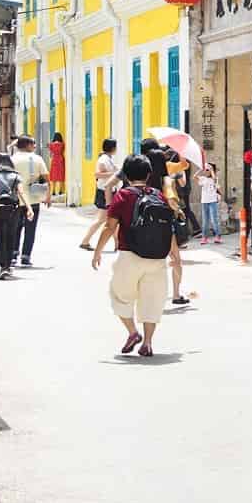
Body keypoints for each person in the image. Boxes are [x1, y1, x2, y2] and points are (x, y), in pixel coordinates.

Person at [92, 153, 174, 357]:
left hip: (130, 255)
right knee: (152, 300)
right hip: (157, 257)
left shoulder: (123, 195)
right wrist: (174, 254)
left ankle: (132, 332)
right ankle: (147, 343)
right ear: (148, 174)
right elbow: (167, 228)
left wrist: (98, 251)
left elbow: (110, 226)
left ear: (126, 175)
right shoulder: (158, 194)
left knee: (119, 295)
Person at [148, 149, 188, 307]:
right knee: (176, 259)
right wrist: (178, 211)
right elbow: (171, 199)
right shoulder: (166, 179)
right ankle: (176, 294)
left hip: (148, 223)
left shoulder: (145, 178)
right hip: (165, 222)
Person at [11, 136, 50, 267]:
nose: (34, 146)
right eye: (33, 143)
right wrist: (48, 196)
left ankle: (13, 254)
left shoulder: (12, 159)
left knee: (15, 228)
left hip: (15, 199)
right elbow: (46, 178)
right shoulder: (37, 159)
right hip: (33, 199)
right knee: (30, 229)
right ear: (27, 145)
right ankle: (26, 256)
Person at [80, 138, 121, 251]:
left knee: (112, 218)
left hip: (109, 191)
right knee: (103, 219)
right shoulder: (103, 160)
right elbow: (97, 174)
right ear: (113, 148)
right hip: (104, 192)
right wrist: (115, 173)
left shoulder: (108, 159)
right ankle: (85, 241)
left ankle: (117, 243)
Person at [196, 162, 222, 243]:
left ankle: (218, 236)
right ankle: (204, 238)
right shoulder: (203, 178)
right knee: (205, 220)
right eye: (206, 170)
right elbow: (194, 177)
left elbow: (214, 179)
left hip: (212, 201)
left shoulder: (214, 178)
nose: (206, 171)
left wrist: (211, 170)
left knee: (214, 219)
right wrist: (201, 169)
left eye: (208, 170)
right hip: (204, 201)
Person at [47, 131, 67, 198]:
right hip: (61, 159)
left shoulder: (51, 145)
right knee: (61, 174)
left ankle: (53, 191)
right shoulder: (62, 144)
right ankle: (61, 190)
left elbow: (50, 154)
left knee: (54, 175)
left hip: (54, 160)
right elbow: (63, 150)